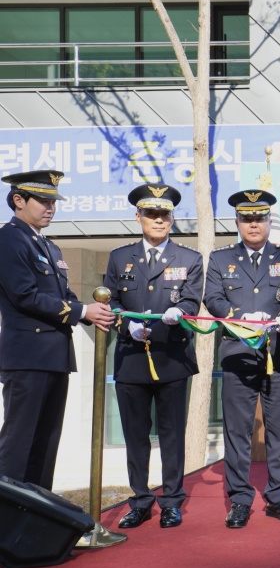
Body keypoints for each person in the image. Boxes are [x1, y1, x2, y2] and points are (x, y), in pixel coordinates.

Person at [0, 171, 115, 491]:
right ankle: (7, 521)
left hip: (54, 356)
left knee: (45, 444)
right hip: (27, 356)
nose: (51, 207)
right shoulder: (8, 239)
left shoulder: (50, 248)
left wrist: (94, 314)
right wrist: (82, 311)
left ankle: (36, 521)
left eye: (54, 201)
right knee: (18, 443)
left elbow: (64, 297)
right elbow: (24, 295)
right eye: (43, 200)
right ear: (19, 200)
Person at [105, 184, 203, 529]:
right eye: (151, 214)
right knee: (135, 435)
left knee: (172, 434)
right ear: (139, 217)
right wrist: (126, 325)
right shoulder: (119, 256)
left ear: (172, 218)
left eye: (164, 214)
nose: (158, 220)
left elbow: (191, 301)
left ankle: (172, 501)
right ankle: (141, 500)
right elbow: (111, 301)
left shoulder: (190, 258)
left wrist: (181, 311)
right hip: (132, 357)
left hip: (171, 357)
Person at [203, 190, 280, 528]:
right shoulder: (220, 259)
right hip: (238, 354)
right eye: (247, 218)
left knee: (279, 431)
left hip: (279, 353)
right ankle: (241, 500)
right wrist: (239, 316)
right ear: (237, 222)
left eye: (259, 218)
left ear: (267, 221)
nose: (253, 224)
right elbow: (212, 297)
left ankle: (277, 496)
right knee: (237, 432)